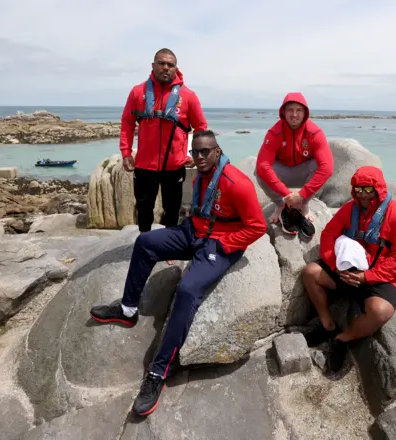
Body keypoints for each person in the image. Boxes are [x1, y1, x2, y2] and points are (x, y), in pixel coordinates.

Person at [89, 130, 266, 416]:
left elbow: (256, 226)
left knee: (187, 291)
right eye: (195, 152)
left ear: (218, 152)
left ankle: (159, 372)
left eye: (205, 152)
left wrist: (223, 244)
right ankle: (128, 309)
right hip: (194, 232)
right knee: (145, 242)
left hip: (220, 243)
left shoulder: (237, 183)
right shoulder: (201, 175)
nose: (199, 157)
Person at [301, 166, 396, 373]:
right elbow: (328, 235)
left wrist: (367, 277)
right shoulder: (349, 209)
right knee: (310, 272)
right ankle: (328, 325)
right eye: (358, 189)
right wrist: (335, 265)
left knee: (380, 312)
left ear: (378, 190)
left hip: (380, 276)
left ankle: (343, 338)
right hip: (346, 271)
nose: (362, 195)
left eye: (368, 189)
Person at [119, 48, 208, 234]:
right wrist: (126, 152)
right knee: (144, 208)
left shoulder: (188, 96)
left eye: (170, 64)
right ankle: (144, 242)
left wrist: (196, 154)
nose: (165, 67)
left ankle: (169, 247)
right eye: (161, 63)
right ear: (153, 66)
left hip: (174, 166)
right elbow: (127, 122)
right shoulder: (137, 92)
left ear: (176, 68)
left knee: (172, 209)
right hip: (144, 165)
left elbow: (201, 128)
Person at [255, 92, 333, 238]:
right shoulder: (274, 133)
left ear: (305, 113)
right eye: (290, 110)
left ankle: (303, 204)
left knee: (321, 165)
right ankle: (280, 205)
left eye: (299, 110)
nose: (294, 114)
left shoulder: (314, 133)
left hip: (304, 171)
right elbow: (262, 165)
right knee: (259, 171)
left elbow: (327, 167)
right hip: (283, 172)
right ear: (283, 112)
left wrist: (302, 195)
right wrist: (287, 195)